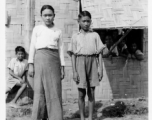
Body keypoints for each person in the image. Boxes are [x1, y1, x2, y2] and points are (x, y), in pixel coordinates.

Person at [28, 5, 65, 120]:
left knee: (55, 89)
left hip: (54, 60)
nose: (48, 18)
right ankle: (40, 117)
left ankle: (55, 117)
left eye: (50, 15)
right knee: (39, 89)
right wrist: (30, 64)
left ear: (54, 16)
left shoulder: (58, 31)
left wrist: (62, 67)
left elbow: (61, 50)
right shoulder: (37, 29)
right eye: (45, 15)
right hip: (39, 59)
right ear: (41, 16)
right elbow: (32, 47)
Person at [67, 11, 105, 120]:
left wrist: (100, 69)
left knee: (91, 92)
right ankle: (82, 117)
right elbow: (73, 55)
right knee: (81, 93)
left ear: (91, 22)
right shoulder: (75, 36)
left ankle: (90, 117)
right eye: (84, 21)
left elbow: (100, 54)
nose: (86, 23)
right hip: (80, 62)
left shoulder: (95, 35)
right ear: (79, 22)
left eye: (88, 21)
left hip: (92, 62)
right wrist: (74, 71)